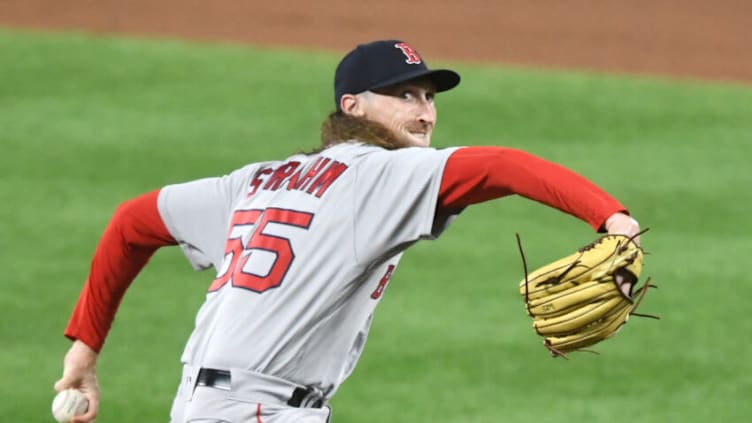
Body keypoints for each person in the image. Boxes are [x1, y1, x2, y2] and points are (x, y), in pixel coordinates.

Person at [55, 39, 641, 423]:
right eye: (405, 95)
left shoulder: (254, 182)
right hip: (259, 411)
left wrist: (85, 350)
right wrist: (612, 218)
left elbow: (130, 224)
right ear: (352, 105)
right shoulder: (381, 174)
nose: (426, 111)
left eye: (430, 96)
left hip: (212, 404)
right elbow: (502, 166)